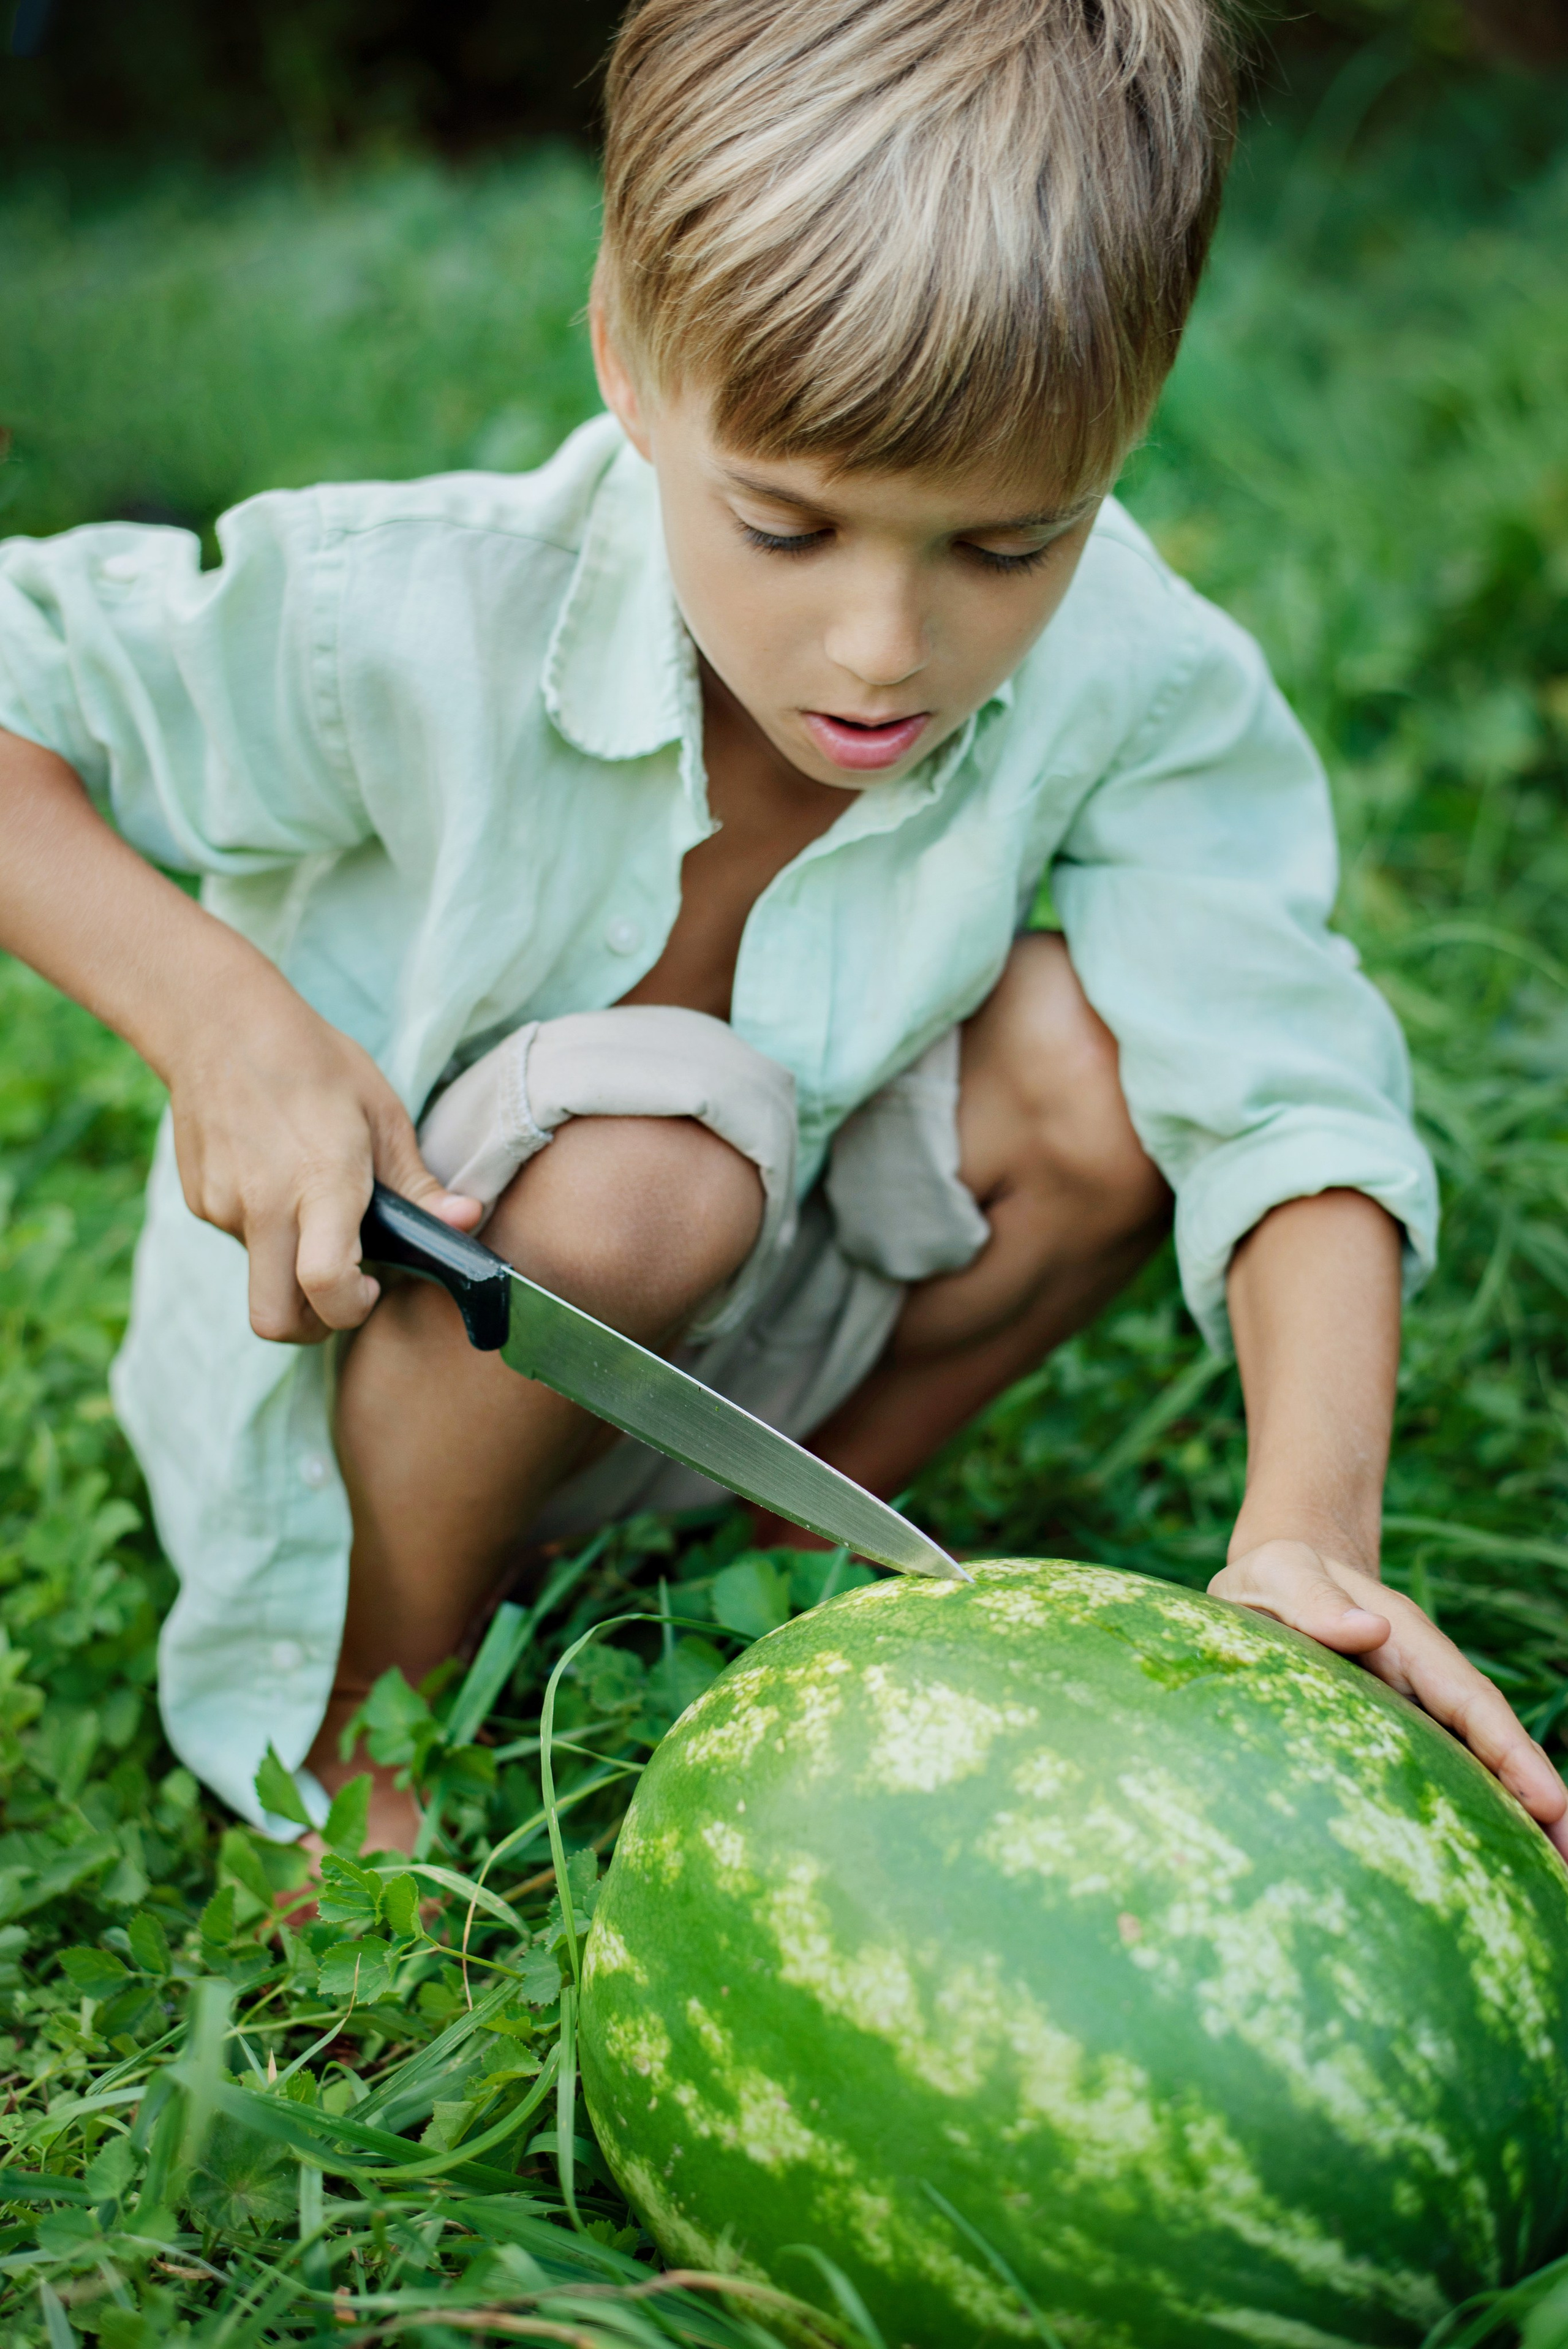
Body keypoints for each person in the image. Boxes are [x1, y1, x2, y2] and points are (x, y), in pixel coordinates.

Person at [0, 0, 1561, 1861]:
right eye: (787, 525)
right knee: (660, 1159)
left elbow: (1289, 1086)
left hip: (745, 1345)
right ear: (630, 358)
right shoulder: (414, 609)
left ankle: (773, 1568)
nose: (884, 649)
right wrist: (221, 1019)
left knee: (1102, 1061)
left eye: (1004, 546)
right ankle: (367, 1704)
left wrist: (1308, 1528)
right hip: (396, 1370)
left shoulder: (1129, 668)